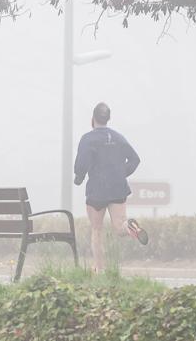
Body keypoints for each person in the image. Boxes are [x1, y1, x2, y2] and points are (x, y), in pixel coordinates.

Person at [74, 102, 148, 273]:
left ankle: (99, 270)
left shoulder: (88, 139)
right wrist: (121, 173)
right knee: (119, 226)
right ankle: (129, 226)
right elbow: (135, 159)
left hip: (97, 191)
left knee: (97, 230)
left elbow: (81, 166)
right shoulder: (119, 138)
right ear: (108, 119)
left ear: (93, 119)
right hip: (118, 188)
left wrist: (79, 177)